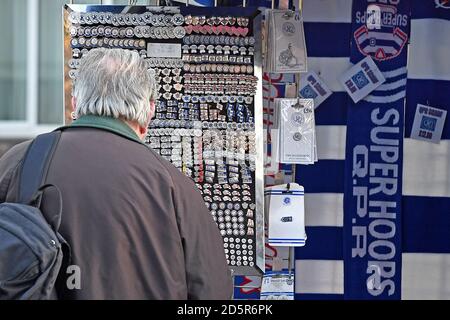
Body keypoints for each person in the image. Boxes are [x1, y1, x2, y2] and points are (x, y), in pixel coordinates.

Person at [0, 48, 232, 300]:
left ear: (75, 103)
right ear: (150, 110)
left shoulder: (21, 161)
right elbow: (211, 291)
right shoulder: (174, 185)